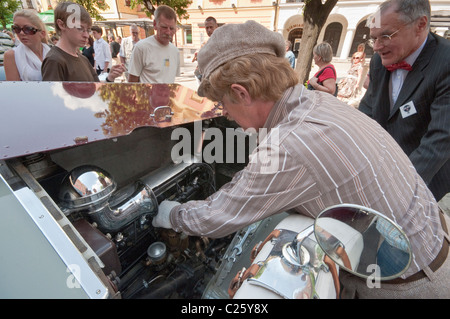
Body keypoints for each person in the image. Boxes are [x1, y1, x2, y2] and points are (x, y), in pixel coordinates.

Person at [151, 20, 450, 299]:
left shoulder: (288, 146)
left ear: (241, 93)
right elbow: (257, 176)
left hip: (411, 282)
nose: (225, 113)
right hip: (432, 237)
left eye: (223, 103)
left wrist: (170, 214)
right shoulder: (315, 101)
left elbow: (218, 216)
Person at [358, 0, 449, 202]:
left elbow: (440, 141)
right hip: (383, 172)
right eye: (374, 38)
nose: (378, 47)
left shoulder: (446, 62)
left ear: (420, 25)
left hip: (426, 180)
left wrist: (395, 188)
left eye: (386, 36)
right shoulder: (378, 62)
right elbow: (366, 116)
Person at [42, 1, 124, 82]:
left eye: (88, 30)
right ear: (62, 25)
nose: (86, 35)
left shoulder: (83, 59)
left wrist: (110, 78)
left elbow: (95, 88)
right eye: (80, 28)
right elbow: (51, 94)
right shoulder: (54, 61)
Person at [128, 5, 180, 83]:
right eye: (164, 27)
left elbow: (170, 80)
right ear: (155, 24)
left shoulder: (175, 51)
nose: (168, 32)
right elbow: (132, 82)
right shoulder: (141, 48)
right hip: (147, 95)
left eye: (172, 28)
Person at [4, 9, 50, 81]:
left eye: (28, 29)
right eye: (16, 28)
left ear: (42, 34)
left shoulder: (52, 52)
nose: (21, 33)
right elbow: (14, 89)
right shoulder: (11, 55)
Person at [193, 16, 219, 81]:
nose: (209, 30)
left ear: (216, 27)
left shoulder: (222, 41)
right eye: (207, 28)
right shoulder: (205, 44)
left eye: (211, 27)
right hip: (204, 77)